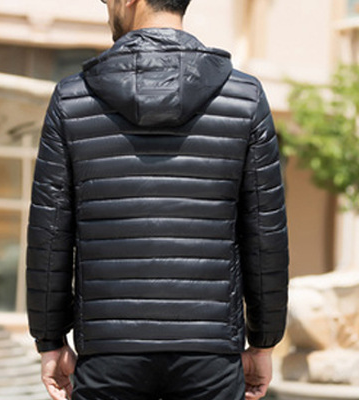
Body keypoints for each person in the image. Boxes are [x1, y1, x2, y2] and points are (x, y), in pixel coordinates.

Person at [26, 1, 289, 399]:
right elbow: (265, 235)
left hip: (108, 351)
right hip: (211, 351)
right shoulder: (245, 99)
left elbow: (49, 236)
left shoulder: (71, 100)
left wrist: (50, 341)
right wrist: (264, 342)